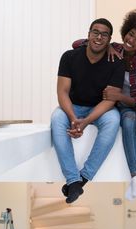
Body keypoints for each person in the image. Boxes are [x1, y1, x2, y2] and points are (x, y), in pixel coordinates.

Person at [73, 9, 136, 200]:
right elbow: (76, 44)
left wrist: (119, 96)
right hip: (126, 109)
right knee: (129, 122)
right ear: (126, 31)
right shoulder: (115, 49)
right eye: (131, 34)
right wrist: (105, 46)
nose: (131, 40)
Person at [51, 18, 125, 204]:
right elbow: (62, 92)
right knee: (57, 117)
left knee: (113, 120)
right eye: (95, 32)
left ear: (109, 39)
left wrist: (85, 122)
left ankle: (83, 177)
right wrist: (74, 118)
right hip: (74, 106)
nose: (99, 37)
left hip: (100, 108)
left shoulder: (116, 62)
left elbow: (110, 100)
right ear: (88, 34)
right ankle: (72, 179)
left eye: (104, 34)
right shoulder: (69, 57)